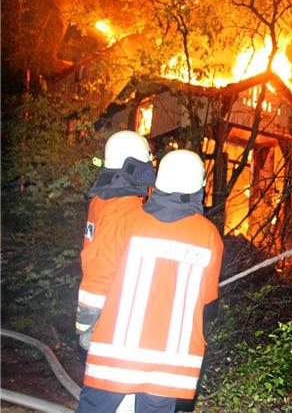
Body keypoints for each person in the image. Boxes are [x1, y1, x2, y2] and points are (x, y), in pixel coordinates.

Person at [75, 149, 223, 413]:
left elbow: (101, 277)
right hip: (170, 366)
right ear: (201, 187)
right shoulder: (209, 235)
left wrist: (85, 323)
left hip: (114, 355)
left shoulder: (128, 220)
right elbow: (208, 298)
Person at [77, 130, 155, 349]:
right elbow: (106, 262)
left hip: (98, 310)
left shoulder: (101, 199)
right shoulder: (126, 207)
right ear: (135, 167)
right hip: (112, 315)